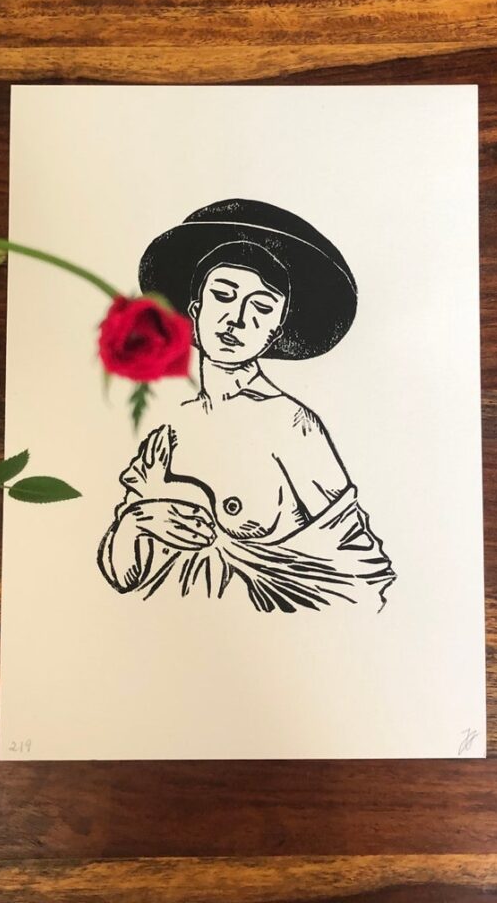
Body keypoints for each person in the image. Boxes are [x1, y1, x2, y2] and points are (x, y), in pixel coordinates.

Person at [97, 199, 395, 612]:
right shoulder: (169, 430)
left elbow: (358, 571)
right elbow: (122, 576)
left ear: (275, 330)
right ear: (195, 308)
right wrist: (139, 521)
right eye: (223, 295)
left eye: (262, 307)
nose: (236, 319)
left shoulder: (291, 423)